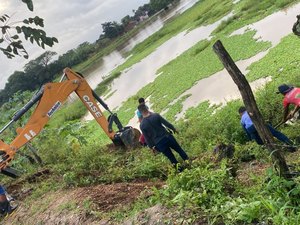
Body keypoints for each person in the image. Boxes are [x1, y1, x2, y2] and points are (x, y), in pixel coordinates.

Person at [138, 103, 189, 169]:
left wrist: (152, 148)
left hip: (159, 143)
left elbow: (147, 139)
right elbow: (167, 123)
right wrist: (174, 129)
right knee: (179, 150)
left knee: (171, 157)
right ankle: (188, 162)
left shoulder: (142, 125)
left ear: (140, 112)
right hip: (167, 137)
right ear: (147, 108)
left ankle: (180, 170)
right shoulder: (156, 115)